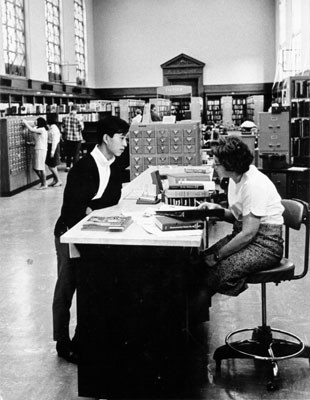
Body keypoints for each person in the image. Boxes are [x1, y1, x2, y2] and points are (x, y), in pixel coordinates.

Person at [52, 116, 130, 363]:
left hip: (94, 233)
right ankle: (62, 343)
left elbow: (111, 198)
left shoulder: (115, 162)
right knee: (66, 288)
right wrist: (89, 211)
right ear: (107, 138)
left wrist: (92, 210)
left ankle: (82, 339)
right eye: (122, 138)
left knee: (90, 287)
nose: (125, 143)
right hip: (69, 233)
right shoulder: (83, 167)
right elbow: (71, 210)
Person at [196, 135, 284, 299]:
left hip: (265, 246)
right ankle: (192, 318)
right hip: (245, 236)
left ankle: (190, 319)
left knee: (214, 272)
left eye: (217, 163)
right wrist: (217, 210)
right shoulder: (234, 179)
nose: (214, 166)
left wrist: (218, 256)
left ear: (230, 165)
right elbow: (239, 218)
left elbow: (248, 233)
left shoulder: (253, 184)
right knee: (199, 263)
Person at [23, 117, 48, 190]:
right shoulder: (39, 129)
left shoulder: (42, 129)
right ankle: (43, 182)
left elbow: (31, 129)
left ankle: (44, 184)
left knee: (41, 168)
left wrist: (25, 122)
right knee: (37, 167)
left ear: (40, 122)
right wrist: (31, 143)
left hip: (41, 150)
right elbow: (38, 140)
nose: (35, 122)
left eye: (36, 121)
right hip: (38, 149)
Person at [61, 104, 84, 172]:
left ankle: (68, 167)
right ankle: (75, 168)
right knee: (76, 153)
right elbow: (81, 128)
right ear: (77, 110)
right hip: (77, 138)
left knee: (68, 153)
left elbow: (63, 126)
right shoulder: (79, 117)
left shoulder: (65, 117)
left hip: (67, 138)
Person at [46, 113, 62, 187]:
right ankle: (54, 180)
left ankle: (59, 180)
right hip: (51, 146)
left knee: (51, 165)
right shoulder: (52, 127)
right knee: (53, 165)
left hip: (53, 147)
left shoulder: (54, 128)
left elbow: (55, 141)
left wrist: (52, 152)